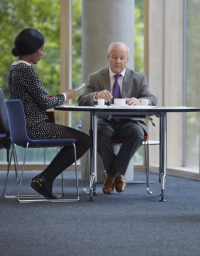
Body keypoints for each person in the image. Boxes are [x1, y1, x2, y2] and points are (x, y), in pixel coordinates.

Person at [8, 28, 92, 199]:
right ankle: (45, 178)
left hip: (24, 128)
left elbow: (33, 99)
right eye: (41, 49)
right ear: (31, 48)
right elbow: (45, 103)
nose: (42, 53)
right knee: (84, 140)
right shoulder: (27, 70)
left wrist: (59, 97)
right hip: (35, 128)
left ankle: (45, 178)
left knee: (78, 140)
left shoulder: (14, 69)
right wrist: (65, 96)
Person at [78, 42, 157, 195]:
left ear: (127, 59)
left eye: (122, 58)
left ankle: (111, 175)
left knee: (136, 133)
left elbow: (152, 99)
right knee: (98, 132)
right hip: (106, 122)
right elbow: (82, 99)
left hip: (130, 122)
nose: (118, 61)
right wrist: (96, 96)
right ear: (108, 57)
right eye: (114, 57)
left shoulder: (139, 78)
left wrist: (140, 101)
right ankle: (118, 174)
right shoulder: (95, 78)